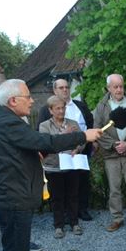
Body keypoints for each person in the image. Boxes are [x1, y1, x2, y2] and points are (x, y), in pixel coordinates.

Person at [0, 79, 102, 251]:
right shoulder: (8, 122)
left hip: (9, 198)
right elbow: (43, 141)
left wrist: (40, 151)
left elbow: (28, 149)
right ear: (12, 101)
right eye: (27, 97)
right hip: (12, 200)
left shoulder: (3, 120)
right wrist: (83, 135)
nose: (31, 101)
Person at [93, 74, 126, 232]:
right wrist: (113, 144)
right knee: (114, 188)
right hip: (111, 154)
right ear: (108, 88)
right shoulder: (102, 106)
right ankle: (117, 218)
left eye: (121, 86)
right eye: (115, 87)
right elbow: (97, 130)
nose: (119, 89)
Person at [36, 79, 94, 221]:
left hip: (79, 152)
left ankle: (81, 210)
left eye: (67, 87)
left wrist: (87, 143)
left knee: (82, 182)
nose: (65, 90)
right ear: (55, 90)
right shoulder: (46, 109)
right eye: (61, 87)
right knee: (60, 189)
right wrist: (67, 134)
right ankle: (63, 216)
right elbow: (43, 135)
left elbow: (89, 123)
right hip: (57, 158)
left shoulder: (80, 105)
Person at [39, 95, 85, 238]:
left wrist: (77, 149)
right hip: (54, 167)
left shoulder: (73, 123)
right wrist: (64, 134)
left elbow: (82, 140)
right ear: (50, 110)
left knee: (73, 195)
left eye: (63, 107)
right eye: (57, 108)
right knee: (56, 197)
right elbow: (46, 144)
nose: (61, 111)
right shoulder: (44, 126)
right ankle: (58, 226)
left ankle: (74, 223)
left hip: (71, 165)